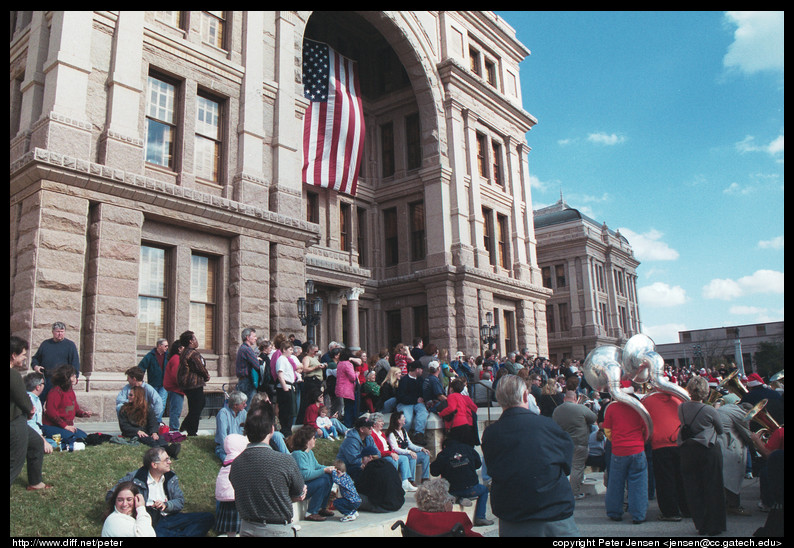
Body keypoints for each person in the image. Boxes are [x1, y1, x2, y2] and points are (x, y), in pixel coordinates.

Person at [482, 375, 578, 537]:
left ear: (499, 399)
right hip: (553, 513)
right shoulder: (548, 426)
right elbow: (566, 464)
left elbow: (493, 468)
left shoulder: (491, 434)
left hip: (513, 516)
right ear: (526, 396)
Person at [229, 404, 306, 537]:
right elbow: (298, 493)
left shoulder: (236, 464)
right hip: (277, 530)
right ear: (272, 429)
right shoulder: (285, 461)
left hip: (247, 529)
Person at [106, 446, 214, 537]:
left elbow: (180, 501)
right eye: (166, 460)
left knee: (207, 517)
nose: (170, 462)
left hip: (170, 516)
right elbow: (111, 495)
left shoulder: (171, 477)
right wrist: (135, 505)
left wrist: (166, 505)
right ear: (154, 465)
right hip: (152, 520)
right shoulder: (136, 477)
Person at [678, 376, 726, 537]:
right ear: (706, 392)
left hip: (687, 450)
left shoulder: (681, 408)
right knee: (713, 487)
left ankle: (701, 523)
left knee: (693, 488)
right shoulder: (709, 409)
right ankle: (715, 525)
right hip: (707, 449)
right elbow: (720, 429)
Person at [603, 381, 649, 524]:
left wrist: (616, 440)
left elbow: (607, 431)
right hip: (638, 448)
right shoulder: (639, 407)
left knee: (615, 483)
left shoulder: (612, 408)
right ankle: (639, 514)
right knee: (639, 483)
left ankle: (614, 512)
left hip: (619, 450)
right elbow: (646, 428)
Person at [642, 387, 689, 522]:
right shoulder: (678, 397)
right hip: (679, 442)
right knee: (682, 478)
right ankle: (687, 508)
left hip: (659, 444)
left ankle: (670, 512)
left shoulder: (647, 400)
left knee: (664, 480)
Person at [11, 336, 50, 491]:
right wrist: (30, 411)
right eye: (22, 354)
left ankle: (35, 482)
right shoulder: (13, 375)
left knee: (36, 443)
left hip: (17, 422)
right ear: (13, 355)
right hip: (14, 423)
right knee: (15, 462)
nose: (25, 357)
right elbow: (23, 400)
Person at [430, 433, 492, 527]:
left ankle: (459, 498)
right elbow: (478, 464)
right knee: (484, 490)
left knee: (447, 490)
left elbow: (434, 472)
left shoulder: (443, 454)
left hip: (452, 490)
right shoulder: (468, 449)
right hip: (472, 489)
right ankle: (480, 517)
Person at [552, 389, 597, 500]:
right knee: (577, 467)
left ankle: (562, 490)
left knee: (565, 468)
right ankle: (574, 492)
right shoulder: (580, 408)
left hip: (563, 443)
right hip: (579, 442)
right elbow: (593, 418)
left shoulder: (557, 410)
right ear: (575, 399)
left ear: (564, 399)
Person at [405, 477, 483, 537]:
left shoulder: (413, 514)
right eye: (450, 500)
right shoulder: (457, 519)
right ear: (445, 505)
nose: (451, 503)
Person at [289, 425, 335, 521]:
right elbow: (304, 475)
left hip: (308, 484)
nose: (315, 440)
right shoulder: (298, 454)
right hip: (300, 487)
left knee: (328, 477)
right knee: (323, 480)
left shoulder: (309, 453)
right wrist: (324, 470)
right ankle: (310, 512)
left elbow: (317, 466)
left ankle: (323, 507)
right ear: (306, 440)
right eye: (313, 438)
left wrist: (330, 468)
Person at [118, 386, 181, 457]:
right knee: (148, 440)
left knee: (159, 438)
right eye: (129, 395)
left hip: (146, 431)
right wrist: (137, 431)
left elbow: (153, 422)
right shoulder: (124, 409)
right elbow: (124, 426)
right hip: (133, 433)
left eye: (131, 395)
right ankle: (166, 451)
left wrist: (154, 432)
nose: (129, 397)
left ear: (138, 396)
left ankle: (168, 449)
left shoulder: (147, 408)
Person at [716, 401, 754, 516]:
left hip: (721, 444)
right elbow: (747, 435)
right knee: (733, 477)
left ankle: (724, 504)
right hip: (729, 447)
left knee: (724, 477)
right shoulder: (740, 414)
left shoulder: (728, 408)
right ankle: (734, 506)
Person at [30, 322, 80, 404]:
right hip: (46, 380)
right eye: (57, 331)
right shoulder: (45, 344)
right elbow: (35, 358)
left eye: (62, 331)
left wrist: (75, 377)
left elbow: (75, 363)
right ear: (53, 332)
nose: (60, 334)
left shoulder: (70, 345)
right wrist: (36, 367)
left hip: (62, 381)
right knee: (40, 403)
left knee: (60, 404)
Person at [42, 363, 91, 446]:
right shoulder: (55, 392)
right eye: (73, 375)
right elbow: (51, 413)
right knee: (71, 438)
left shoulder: (70, 391)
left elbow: (75, 409)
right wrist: (65, 426)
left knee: (83, 437)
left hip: (66, 427)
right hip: (52, 426)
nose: (75, 377)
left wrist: (83, 413)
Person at [369, 412, 416, 492]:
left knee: (404, 458)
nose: (383, 423)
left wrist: (392, 453)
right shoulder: (372, 434)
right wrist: (391, 453)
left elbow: (388, 447)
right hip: (381, 456)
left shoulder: (381, 434)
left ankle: (405, 482)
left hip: (387, 454)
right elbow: (378, 451)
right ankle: (393, 483)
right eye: (380, 421)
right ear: (374, 423)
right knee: (393, 460)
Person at [177, 330, 210, 437]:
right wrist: (206, 376)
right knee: (197, 406)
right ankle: (191, 430)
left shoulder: (185, 352)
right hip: (194, 383)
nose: (196, 341)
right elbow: (199, 367)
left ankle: (187, 426)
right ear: (191, 341)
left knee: (195, 406)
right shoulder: (192, 353)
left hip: (188, 384)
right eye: (194, 339)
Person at [385, 410, 431, 487]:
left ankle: (425, 478)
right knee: (412, 457)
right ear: (398, 421)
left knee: (425, 454)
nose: (405, 419)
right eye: (403, 417)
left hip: (407, 453)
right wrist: (409, 452)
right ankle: (411, 480)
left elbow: (410, 444)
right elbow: (395, 448)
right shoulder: (391, 433)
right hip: (399, 455)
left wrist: (421, 449)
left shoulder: (403, 431)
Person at [214, 433, 248, 537]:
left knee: (230, 528)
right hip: (236, 497)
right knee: (241, 524)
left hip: (226, 497)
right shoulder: (239, 460)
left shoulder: (227, 459)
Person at [355, 445, 405, 513]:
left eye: (363, 459)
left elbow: (360, 488)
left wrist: (363, 472)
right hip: (398, 503)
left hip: (382, 506)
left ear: (370, 457)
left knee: (352, 497)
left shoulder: (370, 468)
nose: (362, 462)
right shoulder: (388, 464)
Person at [438, 378, 480, 447]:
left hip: (456, 424)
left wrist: (441, 414)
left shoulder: (451, 396)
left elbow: (452, 408)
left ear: (451, 388)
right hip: (465, 423)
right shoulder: (462, 397)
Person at [336, 415, 378, 482]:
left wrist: (373, 461)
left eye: (372, 426)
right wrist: (367, 463)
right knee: (361, 469)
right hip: (347, 466)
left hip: (365, 462)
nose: (372, 429)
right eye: (369, 427)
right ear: (361, 429)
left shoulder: (369, 438)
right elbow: (353, 460)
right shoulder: (350, 440)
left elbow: (377, 452)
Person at [395, 361, 428, 445]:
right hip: (406, 403)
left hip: (417, 403)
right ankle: (402, 436)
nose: (422, 371)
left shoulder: (420, 379)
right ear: (417, 370)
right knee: (407, 420)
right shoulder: (404, 380)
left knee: (423, 413)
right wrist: (415, 400)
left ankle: (419, 434)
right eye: (421, 369)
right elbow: (401, 397)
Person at [137, 339, 169, 422]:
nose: (167, 348)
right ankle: (150, 421)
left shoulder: (168, 356)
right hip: (153, 384)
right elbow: (141, 368)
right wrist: (139, 381)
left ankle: (158, 421)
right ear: (159, 346)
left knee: (161, 402)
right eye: (165, 346)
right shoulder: (150, 356)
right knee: (152, 403)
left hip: (164, 384)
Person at [25, 372, 56, 451]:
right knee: (53, 444)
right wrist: (43, 441)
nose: (44, 385)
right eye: (43, 383)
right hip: (30, 434)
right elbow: (31, 424)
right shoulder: (29, 400)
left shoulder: (36, 399)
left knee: (56, 441)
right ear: (38, 387)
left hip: (38, 432)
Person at [274, 340, 299, 436]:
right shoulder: (281, 359)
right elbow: (280, 374)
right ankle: (285, 432)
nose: (292, 351)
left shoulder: (286, 360)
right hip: (285, 388)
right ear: (284, 350)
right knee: (286, 412)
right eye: (290, 349)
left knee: (290, 412)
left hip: (289, 386)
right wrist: (285, 388)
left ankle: (287, 431)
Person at [215, 391, 248, 461]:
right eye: (243, 403)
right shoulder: (223, 414)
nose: (246, 405)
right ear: (235, 405)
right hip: (225, 447)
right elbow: (222, 437)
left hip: (240, 445)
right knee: (231, 462)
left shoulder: (244, 413)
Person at [162, 340, 185, 432]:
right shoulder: (176, 359)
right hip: (176, 389)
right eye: (184, 347)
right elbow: (176, 375)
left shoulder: (176, 358)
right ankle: (174, 429)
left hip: (176, 388)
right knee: (176, 409)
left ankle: (174, 427)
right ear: (179, 349)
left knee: (175, 409)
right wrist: (183, 383)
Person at [235, 328, 260, 403]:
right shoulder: (247, 349)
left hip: (243, 381)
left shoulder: (242, 348)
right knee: (248, 406)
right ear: (248, 337)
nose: (256, 338)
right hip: (247, 382)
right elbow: (257, 365)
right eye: (254, 336)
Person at [335, 348, 359, 427]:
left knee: (345, 407)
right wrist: (356, 374)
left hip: (340, 387)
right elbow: (352, 377)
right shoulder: (348, 364)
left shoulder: (340, 363)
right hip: (347, 389)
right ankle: (348, 425)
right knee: (349, 408)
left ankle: (346, 424)